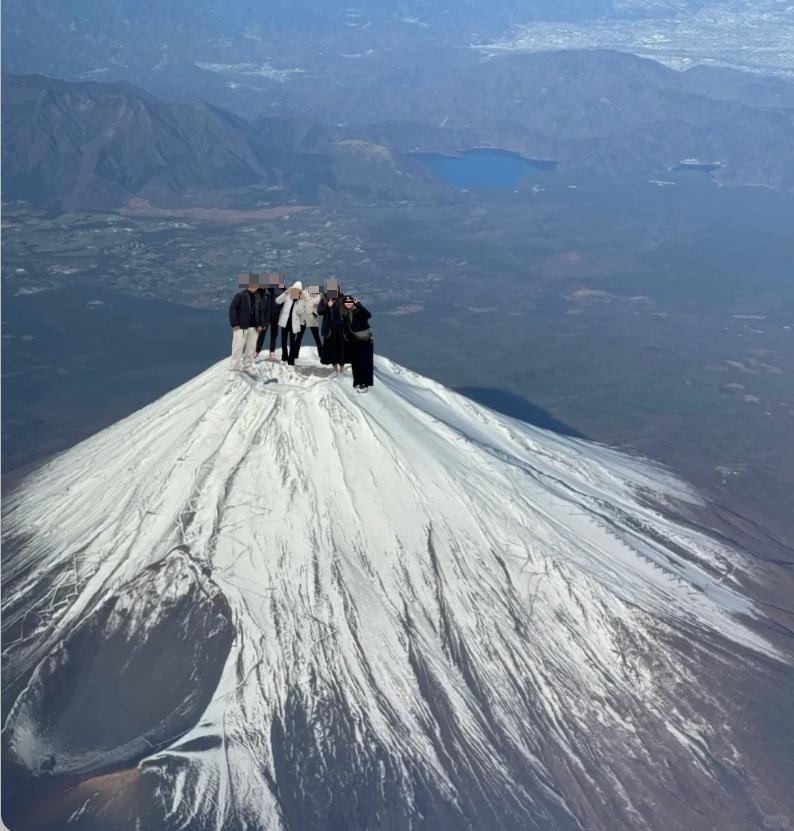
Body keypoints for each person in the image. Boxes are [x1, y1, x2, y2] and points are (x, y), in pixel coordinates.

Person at [229, 278, 267, 371]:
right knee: (237, 347)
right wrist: (234, 323)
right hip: (241, 327)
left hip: (255, 328)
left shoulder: (259, 298)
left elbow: (262, 312)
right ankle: (234, 368)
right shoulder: (240, 295)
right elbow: (232, 308)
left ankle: (247, 366)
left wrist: (261, 325)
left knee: (251, 348)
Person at [341, 295, 374, 391]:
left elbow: (368, 315)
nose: (348, 304)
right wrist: (347, 338)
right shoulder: (345, 314)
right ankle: (357, 381)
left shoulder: (359, 311)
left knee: (365, 362)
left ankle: (365, 383)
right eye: (346, 303)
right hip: (354, 340)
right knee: (355, 362)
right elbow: (346, 328)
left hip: (366, 339)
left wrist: (359, 304)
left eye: (350, 302)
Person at [276, 281, 307, 366]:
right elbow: (277, 301)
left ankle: (291, 360)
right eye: (294, 289)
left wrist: (300, 300)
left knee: (292, 342)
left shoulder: (301, 299)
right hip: (284, 322)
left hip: (294, 324)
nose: (295, 291)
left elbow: (300, 312)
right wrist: (285, 293)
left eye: (298, 290)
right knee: (283, 341)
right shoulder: (287, 295)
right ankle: (284, 357)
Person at [255, 276, 284, 361]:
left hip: (276, 315)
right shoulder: (268, 288)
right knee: (262, 333)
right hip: (266, 315)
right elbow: (258, 290)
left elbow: (289, 298)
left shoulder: (283, 289)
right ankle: (257, 351)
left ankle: (272, 352)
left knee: (274, 334)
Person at [318, 288, 346, 373]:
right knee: (332, 349)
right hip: (330, 328)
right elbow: (319, 311)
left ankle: (341, 369)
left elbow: (348, 311)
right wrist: (327, 306)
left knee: (341, 349)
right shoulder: (325, 298)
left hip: (341, 328)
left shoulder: (342, 298)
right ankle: (335, 369)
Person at [301, 285, 323, 358]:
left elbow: (324, 298)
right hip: (304, 319)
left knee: (317, 338)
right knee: (298, 338)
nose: (313, 294)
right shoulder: (304, 294)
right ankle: (294, 354)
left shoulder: (318, 297)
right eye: (311, 292)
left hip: (313, 320)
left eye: (314, 293)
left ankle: (321, 355)